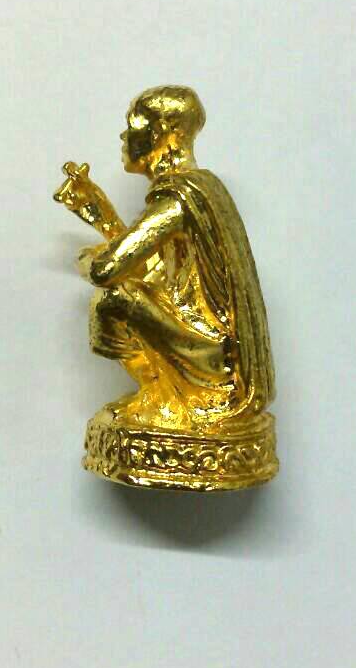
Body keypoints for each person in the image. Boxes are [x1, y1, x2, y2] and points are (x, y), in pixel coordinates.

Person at [70, 85, 275, 430]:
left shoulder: (178, 199)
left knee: (111, 300)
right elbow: (155, 273)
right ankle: (162, 394)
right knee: (131, 289)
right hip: (207, 343)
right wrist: (100, 214)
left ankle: (162, 398)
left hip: (209, 354)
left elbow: (106, 271)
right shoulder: (196, 190)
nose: (124, 136)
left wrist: (84, 258)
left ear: (162, 133)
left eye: (133, 125)